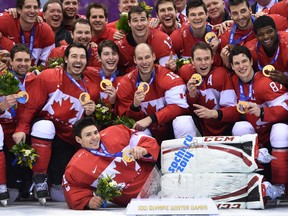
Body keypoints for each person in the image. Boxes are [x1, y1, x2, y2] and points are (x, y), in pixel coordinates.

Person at [12, 42, 100, 203]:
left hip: (66, 140)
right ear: (65, 59)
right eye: (73, 56)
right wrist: (21, 129)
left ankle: (50, 182)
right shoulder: (49, 77)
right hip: (41, 131)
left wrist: (89, 114)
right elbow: (30, 106)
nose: (78, 60)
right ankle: (38, 180)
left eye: (82, 57)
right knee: (45, 126)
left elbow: (85, 125)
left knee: (59, 195)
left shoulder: (91, 86)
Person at [62, 117, 159, 210]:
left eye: (96, 132)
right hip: (135, 202)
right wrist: (88, 202)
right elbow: (72, 189)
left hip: (157, 178)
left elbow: (145, 141)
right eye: (88, 135)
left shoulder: (115, 132)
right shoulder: (76, 166)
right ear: (78, 139)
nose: (95, 137)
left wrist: (144, 149)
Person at [229, 45, 288, 196]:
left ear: (251, 61)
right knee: (239, 127)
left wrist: (263, 111)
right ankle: (254, 183)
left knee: (280, 130)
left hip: (271, 135)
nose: (241, 66)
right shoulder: (232, 82)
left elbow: (286, 107)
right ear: (232, 66)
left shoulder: (264, 82)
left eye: (244, 61)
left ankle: (281, 186)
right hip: (255, 137)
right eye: (237, 63)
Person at [117, 43, 190, 144]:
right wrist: (135, 106)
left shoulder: (166, 77)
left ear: (154, 57)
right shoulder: (126, 83)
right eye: (140, 58)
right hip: (147, 133)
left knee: (184, 122)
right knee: (137, 135)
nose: (144, 62)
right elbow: (126, 121)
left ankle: (188, 156)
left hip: (171, 130)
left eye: (147, 57)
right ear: (134, 60)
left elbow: (180, 107)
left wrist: (151, 119)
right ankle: (147, 158)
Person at [0, 44, 37, 205]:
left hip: (24, 131)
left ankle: (37, 181)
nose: (23, 63)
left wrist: (22, 129)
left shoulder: (36, 80)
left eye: (26, 60)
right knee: (12, 194)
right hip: (4, 131)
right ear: (11, 62)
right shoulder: (2, 78)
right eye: (19, 60)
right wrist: (1, 108)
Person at [185, 42, 239, 136]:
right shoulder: (185, 73)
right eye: (199, 59)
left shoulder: (221, 74)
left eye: (206, 58)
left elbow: (234, 111)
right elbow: (185, 111)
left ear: (212, 59)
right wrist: (191, 96)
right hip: (200, 129)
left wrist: (213, 113)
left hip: (225, 130)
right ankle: (189, 149)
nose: (203, 63)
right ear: (192, 61)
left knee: (241, 127)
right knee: (181, 121)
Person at [220, 0, 288, 68]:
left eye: (243, 11)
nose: (240, 17)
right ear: (230, 15)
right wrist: (228, 67)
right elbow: (233, 71)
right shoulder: (226, 37)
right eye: (235, 13)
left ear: (250, 10)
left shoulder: (267, 21)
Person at [115, 5, 176, 73]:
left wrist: (170, 68)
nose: (140, 24)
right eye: (135, 20)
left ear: (148, 20)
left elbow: (168, 73)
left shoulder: (161, 39)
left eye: (143, 19)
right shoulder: (119, 46)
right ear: (129, 23)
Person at [0, 0, 55, 66]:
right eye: (28, 7)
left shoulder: (45, 30)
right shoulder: (6, 20)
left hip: (33, 74)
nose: (32, 11)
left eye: (35, 7)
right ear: (19, 10)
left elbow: (48, 64)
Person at [170, 0, 222, 65]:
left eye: (200, 14)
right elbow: (172, 64)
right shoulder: (177, 36)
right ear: (187, 18)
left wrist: (213, 52)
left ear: (207, 15)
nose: (197, 18)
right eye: (193, 15)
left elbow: (223, 66)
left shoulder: (218, 33)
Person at [245, 15, 288, 88]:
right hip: (267, 86)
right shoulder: (250, 49)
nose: (266, 37)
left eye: (269, 31)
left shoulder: (286, 43)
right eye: (261, 34)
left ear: (276, 30)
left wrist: (286, 80)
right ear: (256, 36)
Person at [85, 40, 121, 108]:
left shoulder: (124, 79)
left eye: (114, 53)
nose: (111, 57)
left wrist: (113, 102)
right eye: (106, 54)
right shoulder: (88, 73)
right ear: (99, 57)